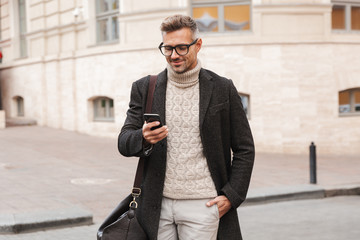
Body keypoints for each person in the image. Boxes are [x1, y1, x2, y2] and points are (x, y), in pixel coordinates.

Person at [118, 14, 255, 240]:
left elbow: (244, 148)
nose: (174, 55)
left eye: (182, 48)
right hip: (156, 206)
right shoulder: (145, 88)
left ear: (198, 45)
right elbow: (123, 142)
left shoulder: (222, 88)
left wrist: (232, 196)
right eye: (168, 48)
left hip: (203, 204)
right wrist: (142, 138)